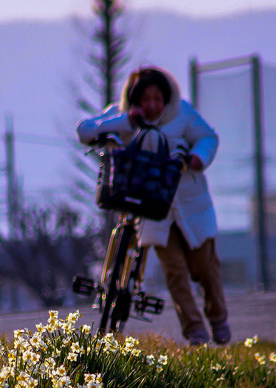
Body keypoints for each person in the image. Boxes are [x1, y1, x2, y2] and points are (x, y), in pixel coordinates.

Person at [76, 66, 230, 346]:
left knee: (205, 268)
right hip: (151, 209)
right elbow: (86, 131)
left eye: (157, 98)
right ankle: (195, 329)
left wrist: (198, 157)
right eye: (145, 99)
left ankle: (218, 318)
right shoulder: (121, 115)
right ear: (134, 100)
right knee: (175, 270)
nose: (152, 105)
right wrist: (125, 121)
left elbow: (209, 137)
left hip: (191, 206)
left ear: (167, 97)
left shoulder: (182, 113)